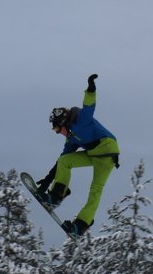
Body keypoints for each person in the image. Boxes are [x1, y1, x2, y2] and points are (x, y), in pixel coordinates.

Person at [35, 73, 121, 237]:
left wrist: (90, 88)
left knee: (95, 191)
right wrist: (45, 183)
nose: (57, 133)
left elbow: (89, 106)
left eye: (56, 129)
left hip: (108, 152)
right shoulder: (71, 139)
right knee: (65, 160)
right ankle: (56, 196)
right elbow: (60, 162)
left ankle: (80, 225)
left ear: (63, 123)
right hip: (94, 155)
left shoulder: (80, 120)